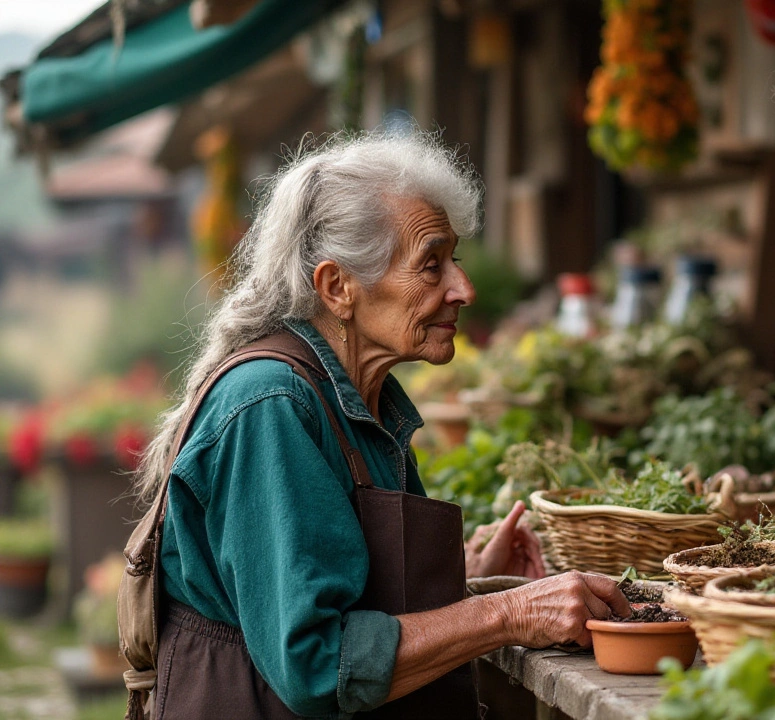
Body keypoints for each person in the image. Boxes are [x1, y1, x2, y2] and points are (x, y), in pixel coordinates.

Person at [127, 132, 629, 719]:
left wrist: (463, 581)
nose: (462, 289)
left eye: (455, 260)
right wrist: (510, 614)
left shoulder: (359, 397)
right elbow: (318, 661)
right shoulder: (270, 407)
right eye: (430, 264)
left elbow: (333, 585)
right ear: (338, 287)